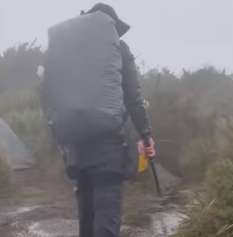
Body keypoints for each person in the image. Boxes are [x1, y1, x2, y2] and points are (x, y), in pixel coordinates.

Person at [42, 3, 156, 237]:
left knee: (87, 218)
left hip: (75, 148)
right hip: (108, 148)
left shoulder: (66, 55)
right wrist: (146, 135)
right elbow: (133, 97)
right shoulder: (119, 49)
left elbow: (47, 94)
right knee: (106, 219)